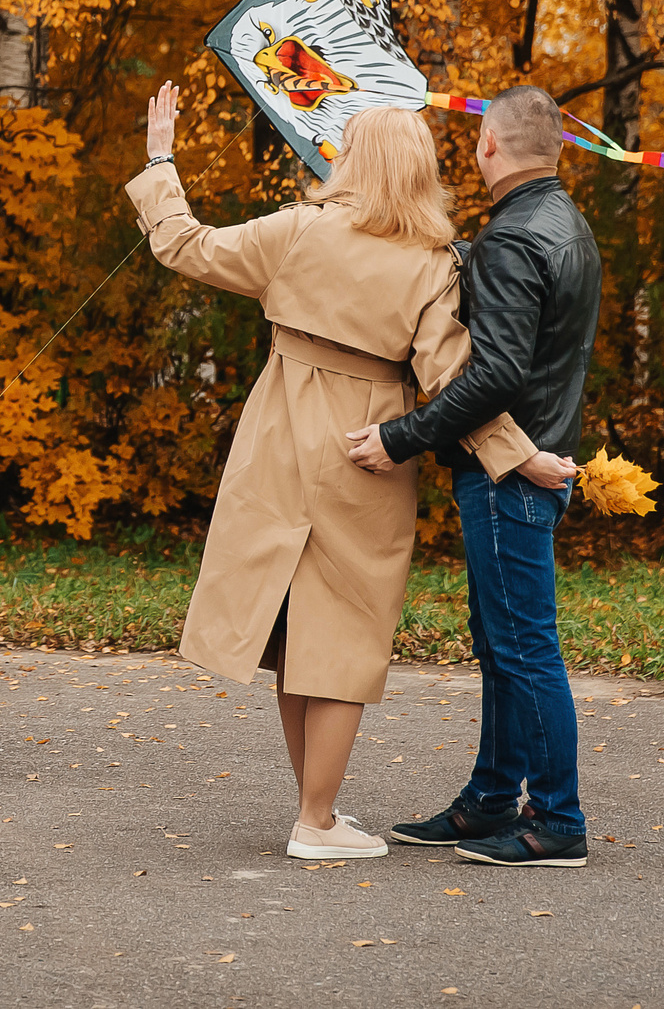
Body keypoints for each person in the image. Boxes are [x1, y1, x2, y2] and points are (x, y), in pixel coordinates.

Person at [127, 82, 538, 861]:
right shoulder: (432, 264)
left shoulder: (296, 231)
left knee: (293, 633)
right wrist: (522, 455)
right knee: (343, 638)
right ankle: (315, 819)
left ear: (352, 160)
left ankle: (315, 810)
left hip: (279, 433)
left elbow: (183, 243)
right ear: (419, 171)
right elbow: (453, 380)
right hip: (367, 447)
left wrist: (160, 158)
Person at [346, 83, 600, 868]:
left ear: (489, 146)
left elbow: (493, 375)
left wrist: (401, 436)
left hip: (509, 479)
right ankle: (492, 799)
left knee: (524, 647)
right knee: (502, 644)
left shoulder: (513, 241)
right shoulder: (564, 227)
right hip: (532, 464)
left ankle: (557, 818)